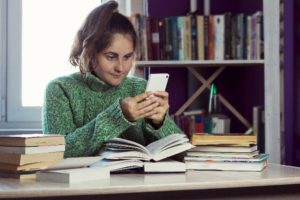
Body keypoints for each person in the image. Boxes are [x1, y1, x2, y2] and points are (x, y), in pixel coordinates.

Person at [42, 0, 182, 158]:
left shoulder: (140, 88)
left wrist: (160, 122)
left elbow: (182, 156)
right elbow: (57, 153)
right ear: (90, 53)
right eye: (111, 57)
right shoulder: (60, 89)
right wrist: (118, 117)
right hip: (84, 183)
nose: (121, 68)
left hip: (139, 182)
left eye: (128, 57)